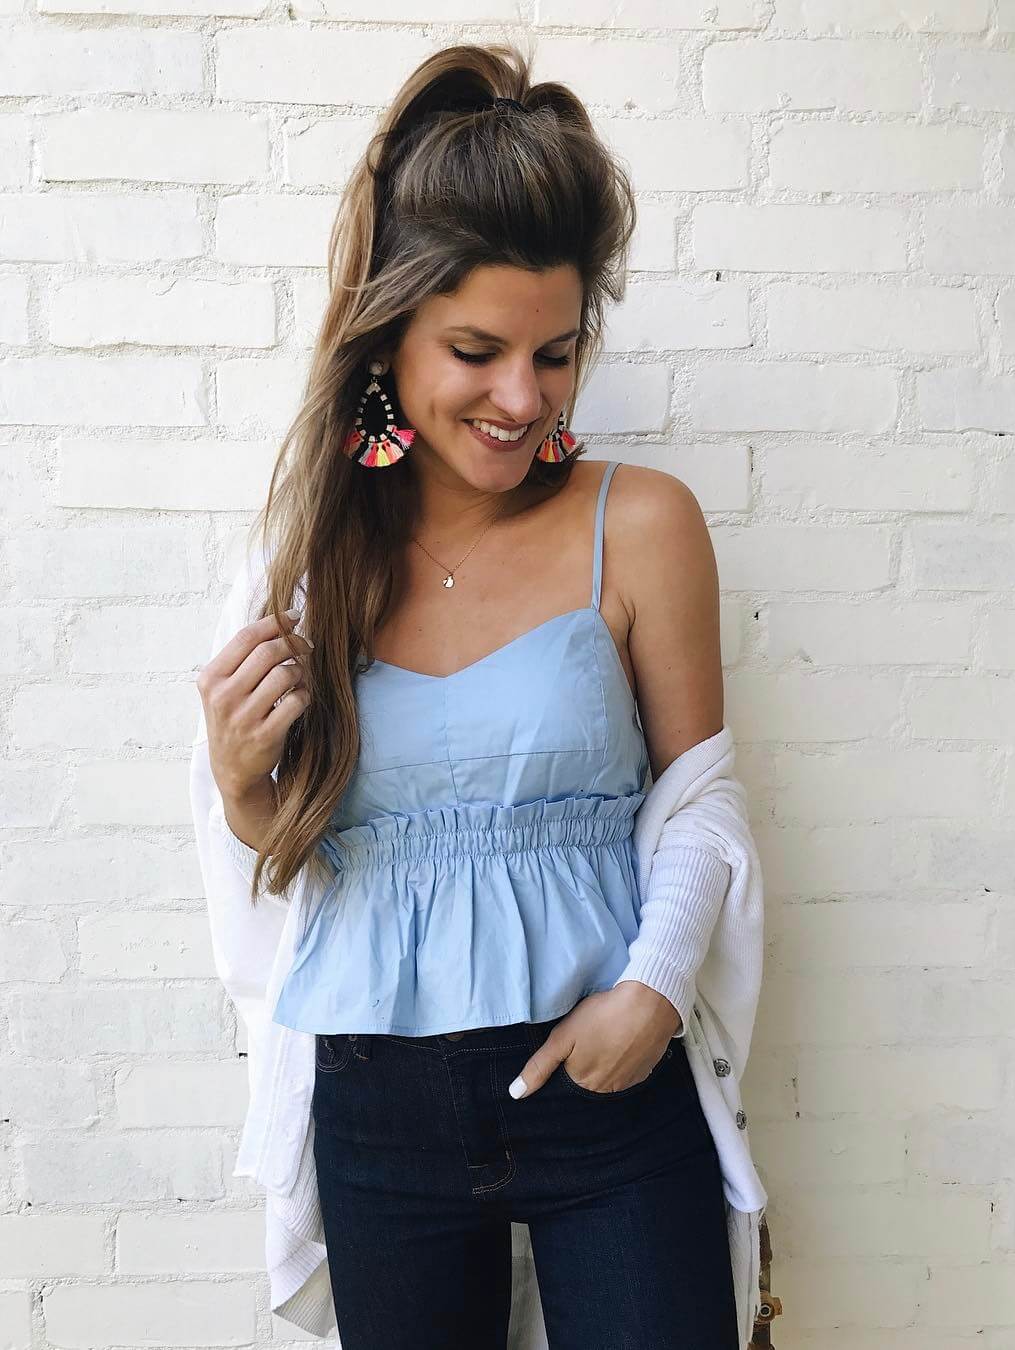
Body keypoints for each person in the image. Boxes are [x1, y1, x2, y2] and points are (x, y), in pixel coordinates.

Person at [193, 38, 748, 1350]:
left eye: (555, 354)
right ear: (389, 333)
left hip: (604, 1078)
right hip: (379, 1102)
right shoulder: (306, 563)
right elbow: (292, 869)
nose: (522, 396)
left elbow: (704, 806)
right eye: (478, 349)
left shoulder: (643, 522)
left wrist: (657, 987)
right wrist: (236, 782)